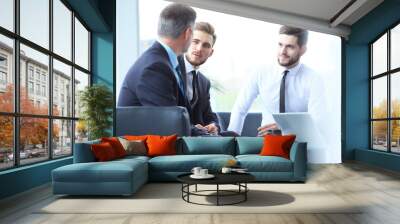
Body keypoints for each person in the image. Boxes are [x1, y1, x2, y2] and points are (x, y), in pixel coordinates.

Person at [228, 25, 326, 136]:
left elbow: (318, 121)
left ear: (302, 50)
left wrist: (285, 128)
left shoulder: (313, 79)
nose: (282, 51)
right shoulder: (260, 72)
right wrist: (232, 140)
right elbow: (240, 108)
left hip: (299, 140)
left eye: (290, 47)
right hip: (267, 140)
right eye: (280, 45)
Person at [117, 3, 196, 108]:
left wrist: (196, 125)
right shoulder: (156, 68)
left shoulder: (163, 60)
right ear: (188, 33)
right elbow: (169, 121)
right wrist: (193, 125)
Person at [183, 22, 219, 135]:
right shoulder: (171, 72)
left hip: (199, 137)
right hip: (179, 135)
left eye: (206, 45)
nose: (199, 49)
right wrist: (194, 129)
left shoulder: (204, 82)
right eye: (195, 42)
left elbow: (209, 115)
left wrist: (214, 125)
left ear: (211, 52)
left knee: (234, 136)